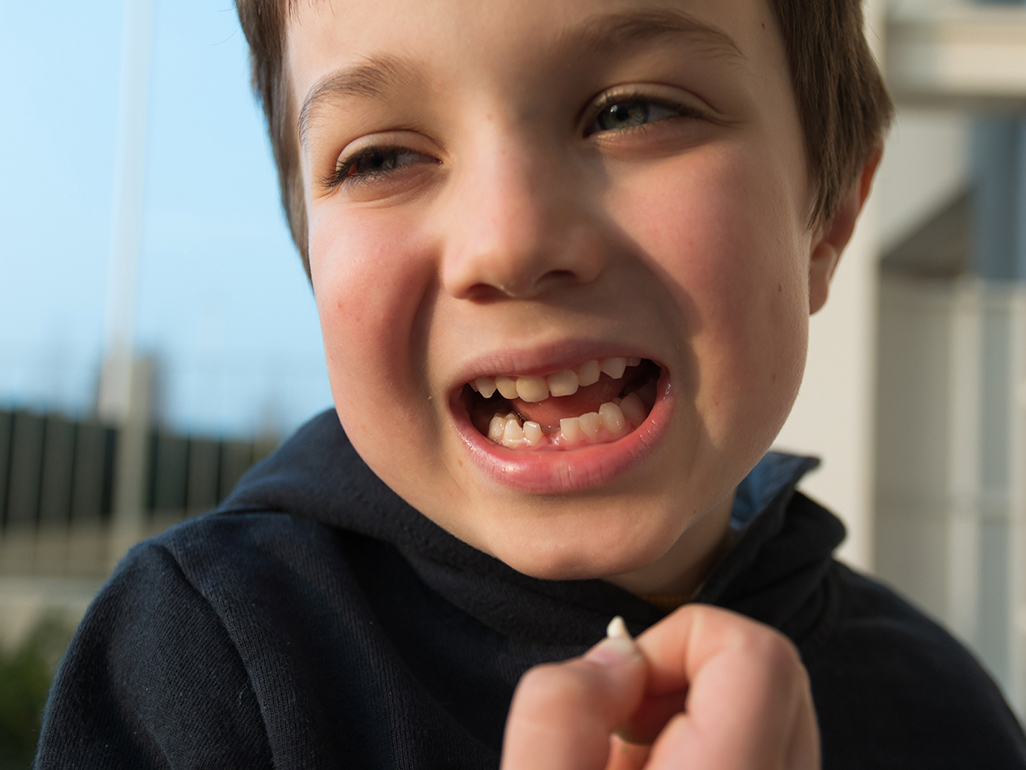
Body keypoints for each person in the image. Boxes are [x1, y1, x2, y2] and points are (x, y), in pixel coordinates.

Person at [34, 0, 1026, 767]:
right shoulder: (204, 663)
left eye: (632, 111)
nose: (508, 241)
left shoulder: (947, 711)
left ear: (831, 214)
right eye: (381, 156)